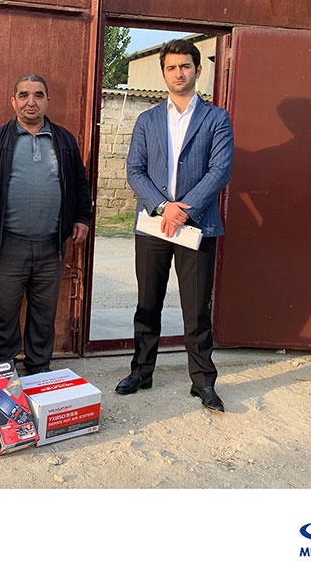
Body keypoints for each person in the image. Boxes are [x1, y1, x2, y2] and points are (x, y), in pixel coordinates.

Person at [115, 39, 233, 412]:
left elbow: (220, 170)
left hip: (198, 226)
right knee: (147, 303)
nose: (178, 73)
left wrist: (185, 209)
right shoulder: (147, 119)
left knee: (196, 308)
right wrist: (164, 206)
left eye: (185, 66)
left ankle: (203, 382)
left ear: (197, 70)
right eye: (171, 67)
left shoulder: (217, 119)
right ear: (163, 73)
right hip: (154, 225)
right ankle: (141, 371)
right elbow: (135, 170)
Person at [0, 74, 91, 375]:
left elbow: (79, 182)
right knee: (4, 311)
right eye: (23, 95)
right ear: (13, 101)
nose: (30, 102)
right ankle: (3, 373)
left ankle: (38, 370)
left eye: (38, 95)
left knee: (44, 313)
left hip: (51, 246)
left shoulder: (64, 140)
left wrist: (82, 217)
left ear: (47, 100)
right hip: (7, 245)